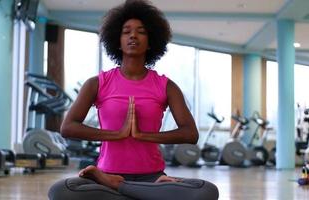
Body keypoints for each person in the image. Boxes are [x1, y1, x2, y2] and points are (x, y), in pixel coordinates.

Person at [48, 0, 219, 199]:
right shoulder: (97, 83)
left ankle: (121, 189)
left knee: (206, 192)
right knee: (60, 191)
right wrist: (118, 134)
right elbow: (67, 128)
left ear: (151, 41)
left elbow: (190, 134)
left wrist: (143, 135)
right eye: (126, 31)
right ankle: (137, 193)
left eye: (141, 31)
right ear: (117, 40)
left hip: (152, 178)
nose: (133, 35)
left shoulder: (166, 86)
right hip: (107, 173)